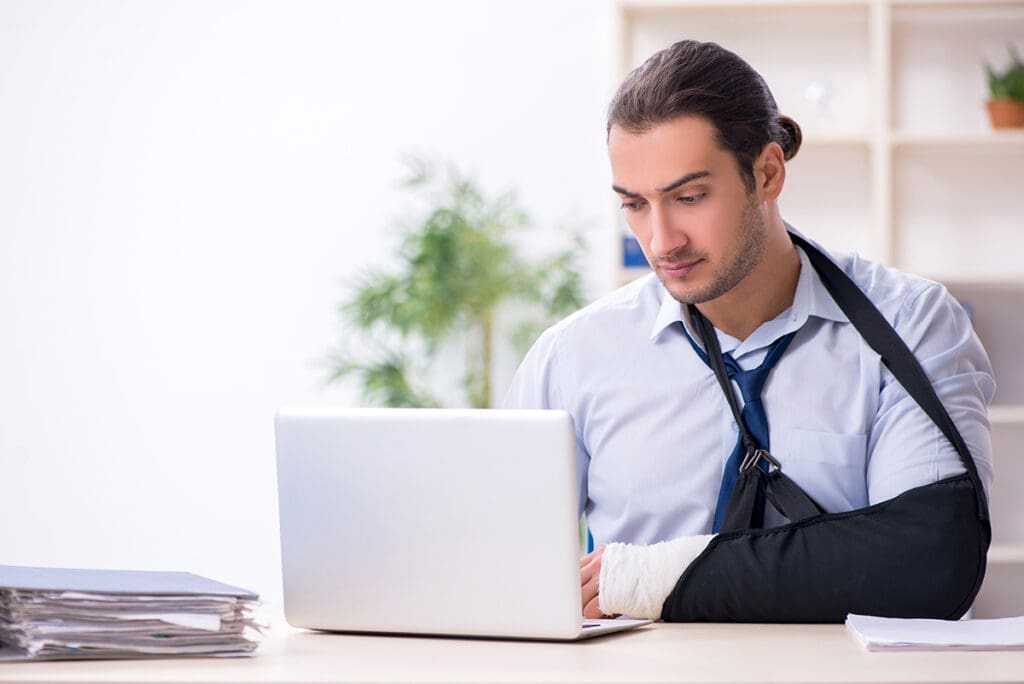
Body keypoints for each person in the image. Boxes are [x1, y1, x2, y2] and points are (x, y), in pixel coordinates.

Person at [502, 40, 995, 621]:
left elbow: (930, 562)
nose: (661, 242)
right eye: (634, 205)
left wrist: (648, 579)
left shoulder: (912, 324)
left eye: (689, 197)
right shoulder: (572, 356)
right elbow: (500, 564)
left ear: (767, 172)